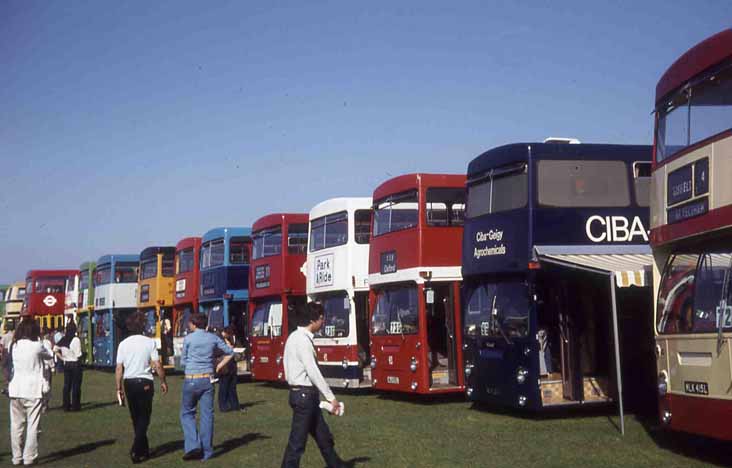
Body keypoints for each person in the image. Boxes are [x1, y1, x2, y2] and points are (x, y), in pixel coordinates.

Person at [281, 302, 345, 468]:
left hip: (301, 395)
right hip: (305, 396)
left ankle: (336, 465)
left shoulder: (293, 337)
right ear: (312, 320)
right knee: (297, 443)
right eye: (321, 318)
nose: (323, 322)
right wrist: (331, 398)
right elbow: (313, 372)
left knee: (323, 436)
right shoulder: (303, 341)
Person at [180, 313, 234, 461]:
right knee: (207, 416)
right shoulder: (213, 338)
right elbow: (230, 352)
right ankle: (207, 451)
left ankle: (193, 445)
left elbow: (183, 362)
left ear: (194, 324)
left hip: (191, 379)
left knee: (187, 413)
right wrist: (218, 364)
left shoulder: (189, 339)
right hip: (208, 380)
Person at [116, 311, 169, 464]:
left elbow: (119, 368)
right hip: (145, 381)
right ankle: (136, 449)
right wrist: (163, 381)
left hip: (129, 382)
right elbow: (157, 364)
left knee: (136, 418)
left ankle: (143, 451)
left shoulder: (123, 344)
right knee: (144, 418)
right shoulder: (149, 342)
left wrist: (118, 388)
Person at [8, 317, 53, 466]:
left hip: (16, 389)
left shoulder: (13, 345)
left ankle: (16, 457)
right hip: (33, 390)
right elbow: (50, 355)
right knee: (32, 425)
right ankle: (29, 456)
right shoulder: (37, 346)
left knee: (16, 426)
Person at [53, 320, 83, 411]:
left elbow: (55, 349)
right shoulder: (76, 340)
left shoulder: (63, 339)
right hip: (75, 364)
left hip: (66, 363)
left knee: (66, 385)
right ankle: (75, 405)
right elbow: (78, 354)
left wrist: (62, 358)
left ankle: (66, 405)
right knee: (76, 386)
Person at [217, 327, 240, 412]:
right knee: (223, 387)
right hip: (224, 366)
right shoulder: (219, 341)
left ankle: (234, 405)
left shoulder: (232, 340)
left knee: (232, 387)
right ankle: (223, 406)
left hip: (232, 366)